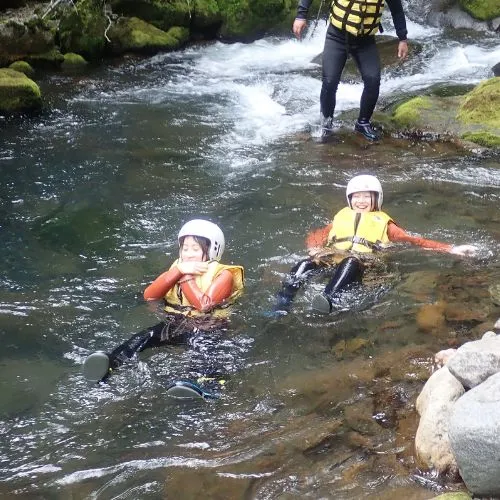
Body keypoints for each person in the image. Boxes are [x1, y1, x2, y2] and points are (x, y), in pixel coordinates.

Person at [274, 174, 478, 314]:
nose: (361, 201)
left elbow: (416, 241)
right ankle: (283, 302)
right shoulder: (341, 217)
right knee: (305, 264)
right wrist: (314, 249)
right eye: (356, 197)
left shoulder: (385, 223)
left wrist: (451, 249)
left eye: (366, 197)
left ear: (375, 199)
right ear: (349, 199)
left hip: (364, 263)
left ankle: (328, 299)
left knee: (351, 261)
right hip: (333, 256)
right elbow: (317, 235)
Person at [83, 219, 245, 389]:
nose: (188, 254)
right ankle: (112, 363)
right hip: (176, 324)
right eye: (185, 248)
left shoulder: (224, 275)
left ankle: (208, 385)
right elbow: (150, 296)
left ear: (212, 251)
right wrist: (177, 272)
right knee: (144, 337)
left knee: (204, 352)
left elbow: (204, 305)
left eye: (195, 249)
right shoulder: (178, 268)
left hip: (209, 328)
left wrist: (185, 277)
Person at [292, 0, 409, 141]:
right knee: (329, 82)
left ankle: (363, 122)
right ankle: (326, 125)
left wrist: (402, 38)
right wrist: (301, 16)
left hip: (365, 41)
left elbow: (396, 9)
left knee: (373, 80)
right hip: (337, 36)